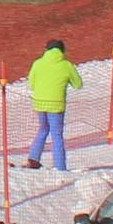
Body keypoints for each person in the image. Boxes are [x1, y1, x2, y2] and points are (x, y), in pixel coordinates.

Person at [23, 38, 77, 170]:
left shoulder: (37, 63)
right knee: (56, 134)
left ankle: (33, 159)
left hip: (40, 103)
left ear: (46, 50)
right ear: (62, 51)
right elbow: (78, 84)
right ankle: (60, 166)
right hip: (56, 105)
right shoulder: (66, 65)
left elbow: (31, 83)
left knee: (43, 129)